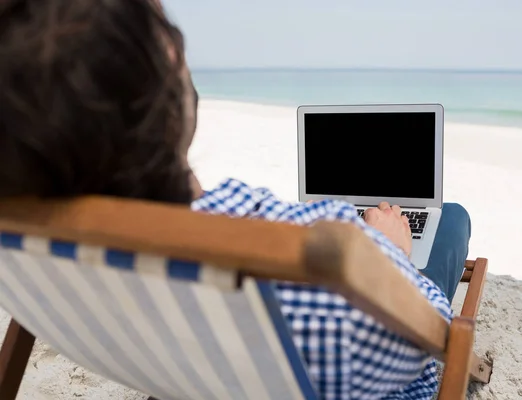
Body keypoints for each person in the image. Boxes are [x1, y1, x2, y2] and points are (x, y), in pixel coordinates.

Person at [0, 0, 470, 398]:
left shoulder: (38, 256)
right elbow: (433, 331)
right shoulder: (330, 258)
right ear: (169, 62)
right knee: (451, 219)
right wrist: (394, 255)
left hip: (177, 370)